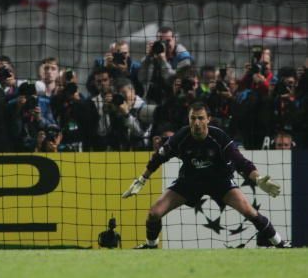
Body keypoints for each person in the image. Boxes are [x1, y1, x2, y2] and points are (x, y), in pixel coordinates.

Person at [122, 102, 291, 249]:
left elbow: (241, 162)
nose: (196, 122)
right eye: (193, 118)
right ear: (189, 120)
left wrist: (258, 179)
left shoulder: (219, 137)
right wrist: (142, 179)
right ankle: (151, 247)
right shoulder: (181, 137)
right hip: (189, 182)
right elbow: (158, 158)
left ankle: (280, 243)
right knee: (154, 213)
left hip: (221, 182)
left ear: (208, 119)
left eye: (201, 118)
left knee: (249, 211)